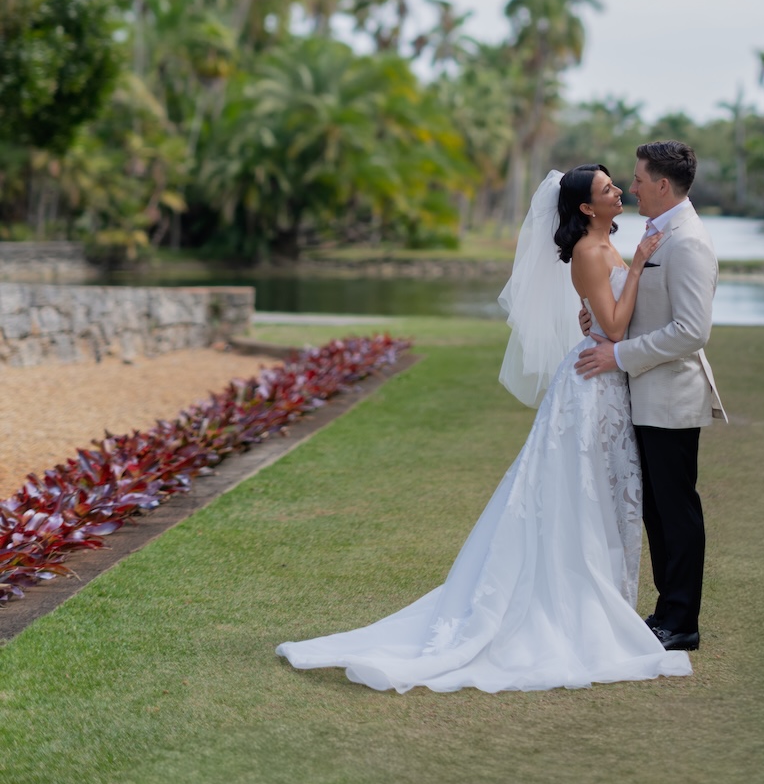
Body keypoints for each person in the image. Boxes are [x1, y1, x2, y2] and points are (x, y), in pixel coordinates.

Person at [275, 164, 693, 693]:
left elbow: (604, 317)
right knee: (581, 491)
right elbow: (613, 325)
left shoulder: (606, 244)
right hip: (592, 385)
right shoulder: (591, 251)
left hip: (607, 379)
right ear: (587, 208)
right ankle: (577, 603)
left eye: (617, 184)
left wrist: (601, 306)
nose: (619, 191)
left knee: (602, 492)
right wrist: (632, 273)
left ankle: (606, 595)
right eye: (608, 188)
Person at [576, 140, 726, 653]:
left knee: (676, 511)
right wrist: (599, 320)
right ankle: (667, 612)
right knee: (657, 512)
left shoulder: (689, 242)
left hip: (670, 398)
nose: (632, 187)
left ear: (662, 184)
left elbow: (691, 331)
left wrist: (618, 355)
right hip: (644, 396)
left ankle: (682, 622)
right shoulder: (660, 230)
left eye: (638, 179)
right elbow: (648, 308)